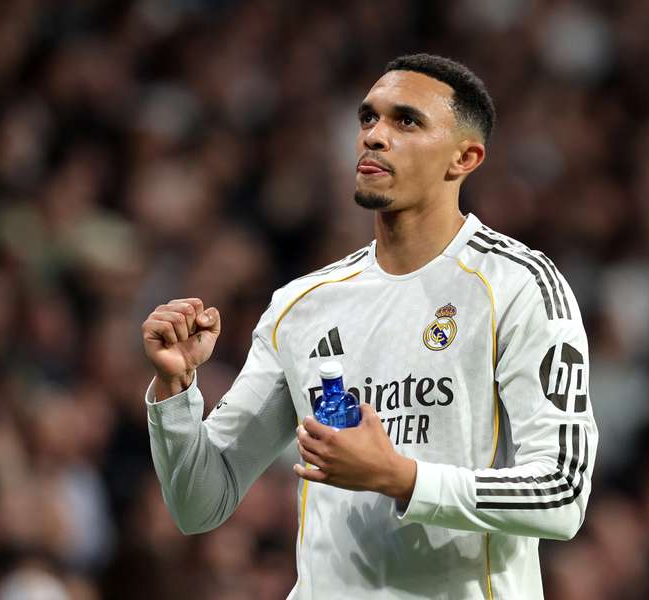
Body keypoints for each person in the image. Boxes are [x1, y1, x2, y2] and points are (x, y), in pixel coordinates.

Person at [142, 53, 598, 600]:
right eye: (368, 118)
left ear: (465, 158)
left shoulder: (519, 287)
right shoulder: (302, 305)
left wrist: (402, 477)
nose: (375, 136)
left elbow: (562, 494)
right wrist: (176, 392)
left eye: (406, 121)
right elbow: (200, 503)